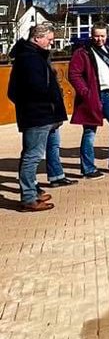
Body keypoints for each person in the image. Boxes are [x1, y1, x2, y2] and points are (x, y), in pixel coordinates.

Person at [8, 22, 71, 211]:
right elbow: (25, 89)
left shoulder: (34, 55)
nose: (51, 44)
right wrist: (43, 104)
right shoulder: (28, 58)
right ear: (37, 38)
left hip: (42, 114)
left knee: (32, 154)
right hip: (37, 115)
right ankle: (28, 197)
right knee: (32, 156)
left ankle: (33, 191)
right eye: (49, 40)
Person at [68, 27, 109, 176]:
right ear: (91, 35)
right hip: (93, 97)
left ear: (107, 35)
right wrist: (85, 92)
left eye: (102, 36)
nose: (99, 39)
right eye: (96, 36)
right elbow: (74, 74)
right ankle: (88, 169)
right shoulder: (82, 52)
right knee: (90, 132)